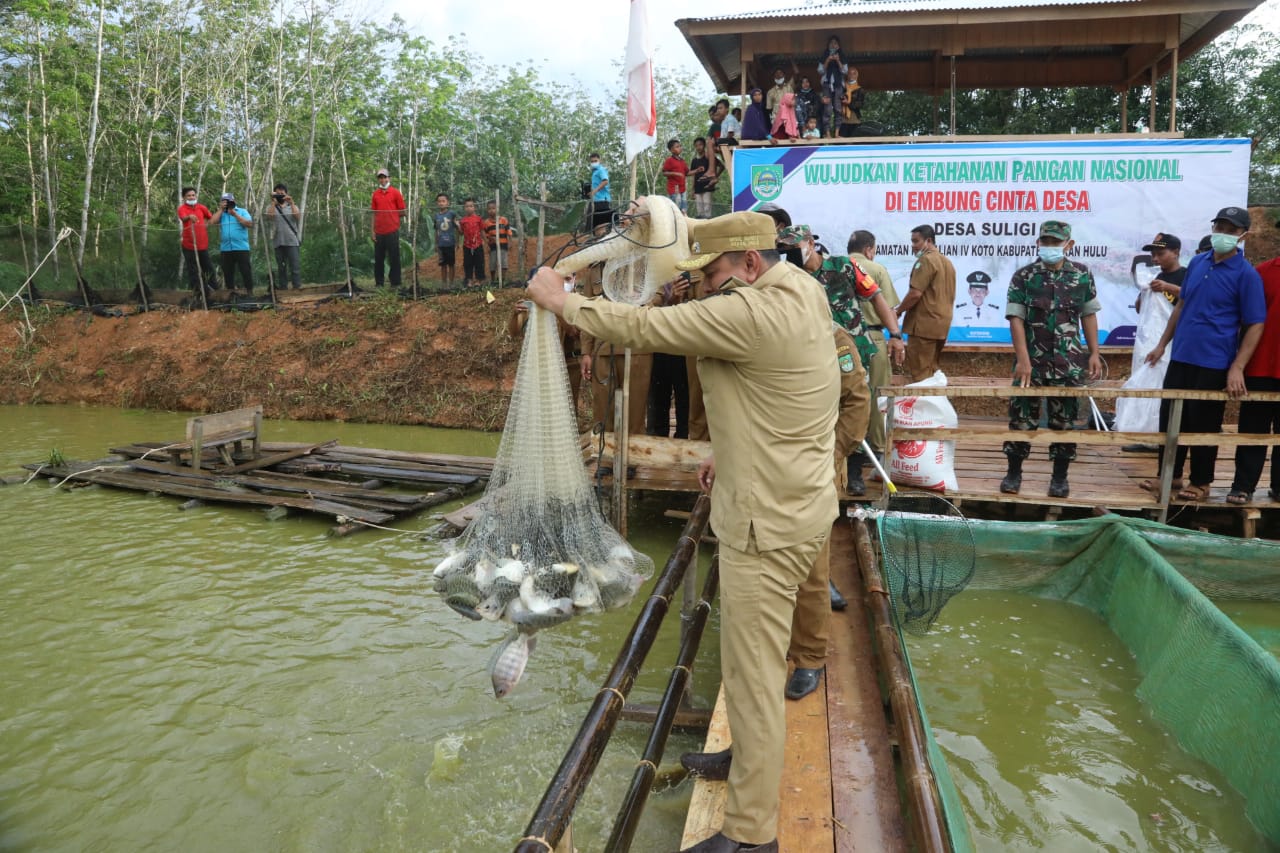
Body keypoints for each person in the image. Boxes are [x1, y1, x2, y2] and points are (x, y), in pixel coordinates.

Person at [527, 209, 838, 853]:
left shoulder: (745, 311)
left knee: (752, 677)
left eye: (714, 274)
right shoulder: (799, 285)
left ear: (749, 266)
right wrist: (730, 448)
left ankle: (752, 836)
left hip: (765, 522)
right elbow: (779, 389)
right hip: (799, 499)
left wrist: (564, 300)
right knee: (751, 660)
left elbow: (646, 325)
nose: (702, 286)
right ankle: (747, 763)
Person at [1143, 206, 1266, 502]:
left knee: (1203, 423)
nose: (1223, 233)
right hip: (1181, 354)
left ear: (1242, 235)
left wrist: (1237, 366)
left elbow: (1255, 324)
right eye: (1219, 227)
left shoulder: (1246, 275)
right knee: (1170, 417)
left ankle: (1201, 482)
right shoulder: (1198, 262)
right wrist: (1162, 344)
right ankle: (1170, 475)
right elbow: (1181, 306)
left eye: (1231, 230)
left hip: (1214, 360)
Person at [780, 224, 904, 496]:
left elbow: (876, 298)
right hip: (814, 356)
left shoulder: (844, 267)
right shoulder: (790, 277)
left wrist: (895, 333)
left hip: (855, 351)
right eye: (785, 250)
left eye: (793, 248)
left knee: (857, 406)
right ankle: (824, 466)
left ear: (810, 243)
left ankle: (855, 469)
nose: (790, 254)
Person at [786, 323, 870, 701]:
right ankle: (780, 645)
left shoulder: (833, 338)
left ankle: (809, 657)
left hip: (818, 465)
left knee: (811, 570)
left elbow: (856, 400)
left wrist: (835, 452)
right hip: (776, 462)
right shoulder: (773, 328)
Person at [1001, 220, 1103, 498]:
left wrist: (1093, 352)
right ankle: (1013, 473)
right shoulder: (1024, 276)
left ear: (1068, 245)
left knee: (1065, 422)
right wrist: (1023, 359)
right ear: (1038, 243)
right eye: (1045, 241)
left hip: (1068, 363)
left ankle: (1060, 478)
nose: (1049, 247)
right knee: (1021, 419)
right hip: (1030, 363)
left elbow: (1088, 314)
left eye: (1055, 242)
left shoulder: (1081, 275)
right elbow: (1016, 319)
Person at [1120, 232, 1185, 453]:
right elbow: (1140, 309)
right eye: (1153, 254)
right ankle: (1144, 434)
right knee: (1146, 385)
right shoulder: (1153, 277)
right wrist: (1144, 293)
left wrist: (1168, 287)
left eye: (1160, 253)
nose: (1155, 259)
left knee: (1165, 387)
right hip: (1148, 342)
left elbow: (1192, 298)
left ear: (1176, 252)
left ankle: (1165, 436)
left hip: (1174, 344)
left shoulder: (1186, 276)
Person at [848, 229, 904, 479]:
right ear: (869, 249)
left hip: (844, 342)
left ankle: (853, 450)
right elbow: (889, 308)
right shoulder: (876, 269)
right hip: (874, 338)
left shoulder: (839, 268)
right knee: (879, 394)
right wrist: (896, 337)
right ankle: (879, 450)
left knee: (850, 394)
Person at [1229, 253, 1280, 503]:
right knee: (1252, 431)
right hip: (1260, 365)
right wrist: (1237, 364)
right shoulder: (1260, 273)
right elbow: (1243, 319)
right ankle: (1243, 486)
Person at [896, 224, 956, 382]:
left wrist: (898, 311)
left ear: (928, 241)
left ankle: (923, 407)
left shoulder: (926, 260)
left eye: (916, 241)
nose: (913, 246)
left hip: (923, 327)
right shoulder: (947, 262)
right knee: (933, 373)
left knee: (920, 376)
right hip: (940, 326)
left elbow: (915, 293)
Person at [507, 301, 583, 415]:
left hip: (562, 364)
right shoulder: (527, 306)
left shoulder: (564, 303)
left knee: (565, 408)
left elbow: (574, 332)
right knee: (536, 407)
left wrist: (558, 309)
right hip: (536, 366)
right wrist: (514, 314)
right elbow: (513, 332)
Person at [647, 274, 692, 439]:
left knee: (684, 393)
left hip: (684, 345)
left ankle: (683, 435)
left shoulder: (692, 272)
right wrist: (671, 298)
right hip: (659, 341)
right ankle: (658, 437)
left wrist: (679, 298)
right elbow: (648, 309)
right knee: (659, 394)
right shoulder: (654, 276)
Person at [209, 192, 254, 294]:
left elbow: (249, 224)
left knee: (246, 271)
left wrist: (235, 214)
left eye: (229, 201)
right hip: (226, 248)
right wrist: (221, 209)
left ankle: (250, 292)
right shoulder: (221, 214)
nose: (227, 203)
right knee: (228, 273)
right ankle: (231, 294)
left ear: (234, 201)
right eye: (225, 201)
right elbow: (211, 222)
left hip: (241, 247)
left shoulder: (242, 211)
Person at [370, 169, 406, 288]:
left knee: (394, 257)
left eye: (384, 177)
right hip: (379, 231)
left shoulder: (395, 193)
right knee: (379, 258)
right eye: (380, 177)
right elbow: (373, 214)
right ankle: (379, 283)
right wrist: (372, 231)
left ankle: (395, 282)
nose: (382, 179)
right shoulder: (375, 194)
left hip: (392, 230)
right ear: (378, 179)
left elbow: (402, 212)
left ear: (389, 178)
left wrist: (392, 217)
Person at [177, 187, 215, 295]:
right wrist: (189, 216)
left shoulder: (202, 207)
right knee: (193, 271)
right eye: (188, 195)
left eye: (193, 195)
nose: (191, 197)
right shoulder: (182, 208)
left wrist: (206, 224)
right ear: (184, 197)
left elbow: (210, 217)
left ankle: (213, 291)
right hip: (189, 245)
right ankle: (197, 292)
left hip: (203, 245)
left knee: (208, 268)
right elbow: (183, 218)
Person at [265, 182, 302, 290]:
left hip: (292, 240)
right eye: (277, 193)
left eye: (282, 193)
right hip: (278, 241)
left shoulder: (292, 206)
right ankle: (283, 288)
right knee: (281, 267)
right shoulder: (271, 207)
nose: (280, 195)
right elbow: (270, 217)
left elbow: (298, 217)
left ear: (286, 194)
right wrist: (273, 202)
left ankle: (297, 287)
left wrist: (292, 203)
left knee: (294, 266)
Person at [818, 35, 847, 137]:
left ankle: (837, 133)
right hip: (827, 85)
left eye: (835, 43)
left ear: (838, 46)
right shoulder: (824, 55)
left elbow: (845, 71)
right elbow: (820, 71)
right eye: (831, 43)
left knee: (838, 109)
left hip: (838, 86)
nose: (833, 45)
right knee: (827, 109)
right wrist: (828, 60)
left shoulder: (842, 56)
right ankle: (827, 133)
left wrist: (838, 60)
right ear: (828, 45)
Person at [483, 200, 513, 285]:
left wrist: (510, 242)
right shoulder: (486, 223)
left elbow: (509, 231)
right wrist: (488, 242)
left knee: (504, 263)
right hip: (492, 246)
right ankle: (493, 280)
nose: (491, 210)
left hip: (503, 245)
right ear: (487, 210)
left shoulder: (503, 220)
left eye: (493, 208)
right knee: (492, 263)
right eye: (489, 209)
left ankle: (502, 279)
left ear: (497, 209)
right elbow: (485, 234)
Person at [458, 198, 485, 287]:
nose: (469, 208)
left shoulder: (479, 219)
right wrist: (458, 226)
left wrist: (486, 243)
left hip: (478, 244)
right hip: (467, 245)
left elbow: (482, 231)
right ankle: (469, 280)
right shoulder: (463, 220)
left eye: (471, 206)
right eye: (467, 206)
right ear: (464, 208)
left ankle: (478, 280)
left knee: (479, 262)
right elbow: (461, 233)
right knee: (467, 263)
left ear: (474, 207)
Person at [434, 193, 459, 288]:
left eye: (443, 201)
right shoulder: (436, 216)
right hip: (441, 244)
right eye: (439, 201)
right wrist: (435, 244)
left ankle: (451, 283)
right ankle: (444, 283)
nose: (441, 203)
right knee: (443, 264)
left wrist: (457, 242)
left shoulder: (452, 214)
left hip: (450, 243)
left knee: (451, 264)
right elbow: (436, 230)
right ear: (437, 203)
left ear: (447, 203)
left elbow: (457, 228)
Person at [689, 137, 715, 219]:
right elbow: (693, 175)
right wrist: (692, 189)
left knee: (707, 209)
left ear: (704, 146)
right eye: (696, 145)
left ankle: (708, 227)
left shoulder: (708, 157)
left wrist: (715, 177)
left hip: (707, 187)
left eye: (700, 145)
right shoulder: (694, 161)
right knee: (699, 210)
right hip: (697, 188)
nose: (698, 147)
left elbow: (720, 166)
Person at [662, 139, 689, 213]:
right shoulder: (669, 160)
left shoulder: (682, 161)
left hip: (683, 189)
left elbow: (687, 173)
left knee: (684, 207)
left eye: (680, 146)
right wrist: (676, 173)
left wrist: (697, 170)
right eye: (677, 147)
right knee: (676, 208)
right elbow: (664, 173)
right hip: (674, 189)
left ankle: (684, 219)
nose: (680, 148)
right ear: (671, 150)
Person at [588, 153, 612, 234]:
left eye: (595, 161)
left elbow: (605, 181)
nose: (594, 162)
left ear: (599, 160)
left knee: (602, 225)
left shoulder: (601, 170)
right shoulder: (594, 172)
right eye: (592, 161)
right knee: (597, 223)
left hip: (602, 200)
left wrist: (594, 191)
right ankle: (598, 240)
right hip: (597, 201)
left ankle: (603, 240)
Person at [838, 66, 865, 137]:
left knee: (855, 141)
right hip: (843, 118)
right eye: (850, 73)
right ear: (847, 75)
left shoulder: (860, 89)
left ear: (857, 76)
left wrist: (849, 103)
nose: (851, 75)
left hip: (854, 118)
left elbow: (861, 104)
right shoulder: (842, 87)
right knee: (842, 142)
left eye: (854, 73)